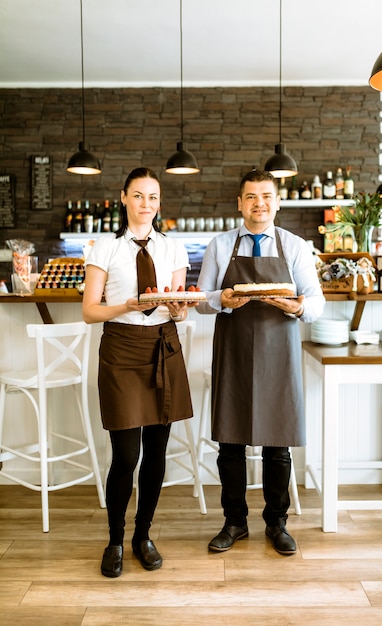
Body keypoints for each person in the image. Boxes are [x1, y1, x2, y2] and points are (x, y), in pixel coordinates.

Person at [196, 169, 325, 555]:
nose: (259, 204)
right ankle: (234, 522)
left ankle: (277, 523)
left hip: (279, 352)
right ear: (240, 203)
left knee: (277, 443)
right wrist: (222, 299)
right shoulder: (220, 246)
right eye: (251, 197)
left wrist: (296, 305)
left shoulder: (295, 246)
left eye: (266, 196)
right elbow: (201, 300)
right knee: (230, 441)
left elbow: (316, 302)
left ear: (277, 202)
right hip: (233, 350)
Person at [82, 167, 193, 577]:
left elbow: (175, 305)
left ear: (159, 203)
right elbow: (90, 310)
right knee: (126, 455)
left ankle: (142, 535)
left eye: (154, 197)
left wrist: (180, 310)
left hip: (163, 347)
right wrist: (124, 306)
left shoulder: (173, 250)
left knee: (157, 453)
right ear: (124, 198)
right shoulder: (104, 250)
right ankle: (114, 539)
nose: (147, 204)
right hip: (122, 350)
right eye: (139, 195)